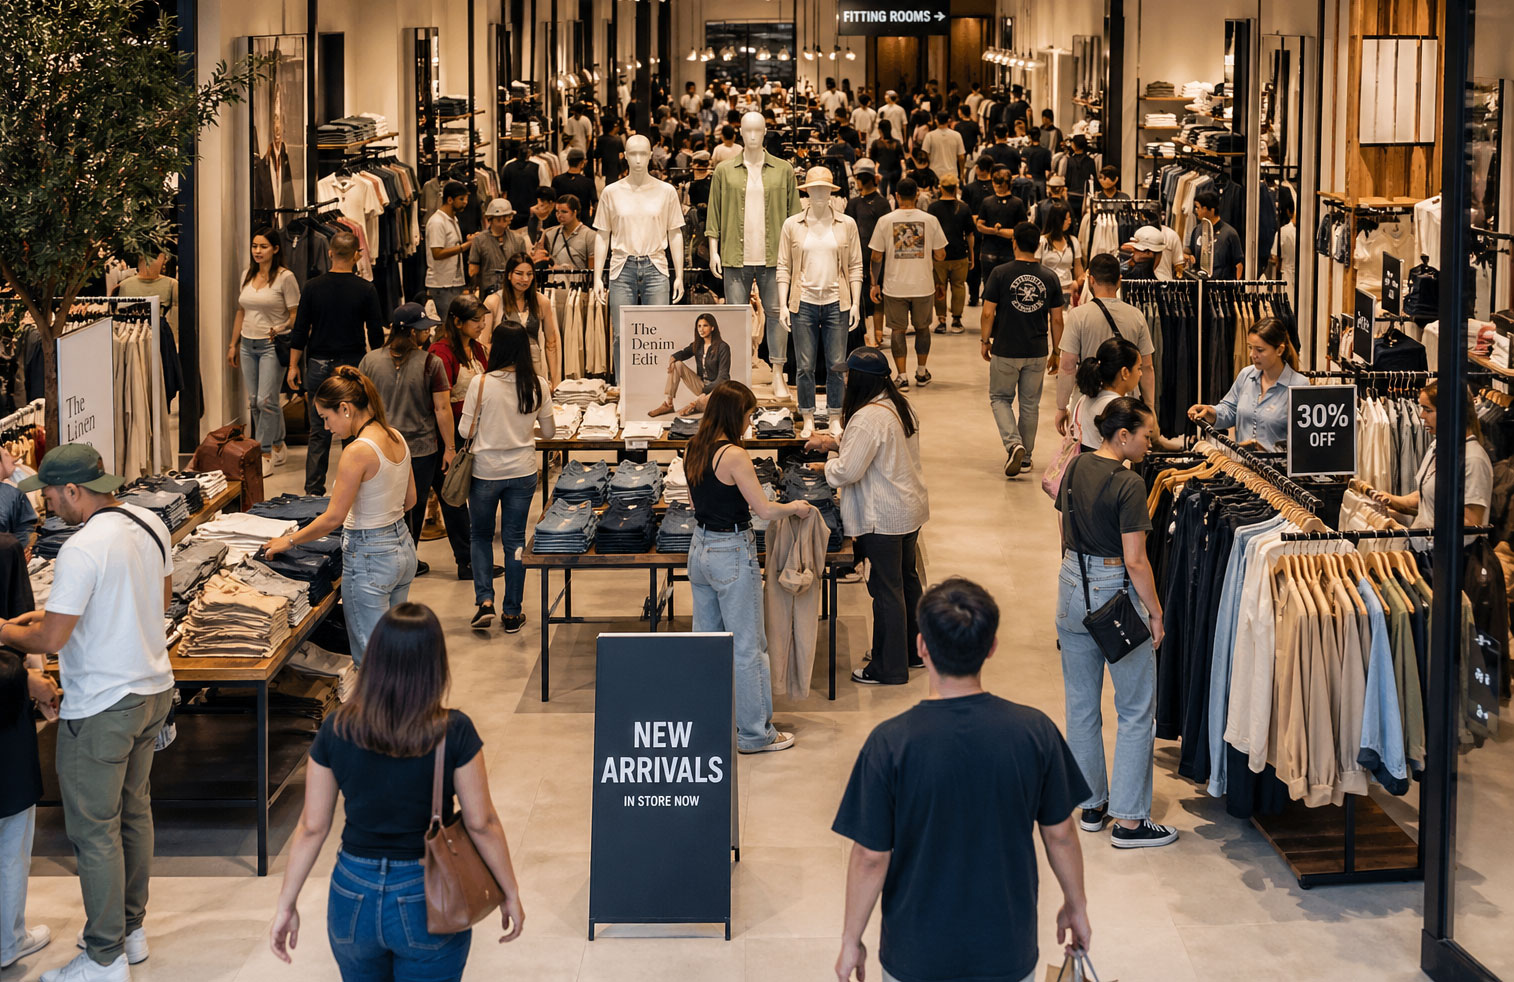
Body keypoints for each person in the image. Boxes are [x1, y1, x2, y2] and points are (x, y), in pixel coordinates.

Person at [832, 577, 1092, 982]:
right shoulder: (1034, 732)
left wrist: (852, 938)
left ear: (922, 646)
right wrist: (1076, 904)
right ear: (991, 647)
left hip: (915, 953)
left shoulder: (890, 743)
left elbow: (870, 857)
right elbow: (1059, 834)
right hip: (1006, 949)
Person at [269, 604, 524, 980]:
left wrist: (286, 905)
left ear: (374, 660)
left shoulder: (337, 728)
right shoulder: (453, 730)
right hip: (427, 888)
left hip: (351, 888)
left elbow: (312, 826)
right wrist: (510, 891)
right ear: (435, 663)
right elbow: (482, 823)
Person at [0, 444, 175, 982]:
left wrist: (4, 629)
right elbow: (160, 600)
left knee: (94, 830)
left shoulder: (81, 548)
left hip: (102, 704)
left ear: (73, 490)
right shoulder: (149, 522)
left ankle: (104, 957)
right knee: (133, 812)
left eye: (50, 494)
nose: (47, 504)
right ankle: (130, 930)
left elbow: (52, 639)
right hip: (153, 691)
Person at [1053, 397, 1179, 849]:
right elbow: (1136, 560)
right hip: (1114, 592)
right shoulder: (1128, 483)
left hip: (1071, 584)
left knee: (1082, 706)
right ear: (1123, 435)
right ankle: (1129, 822)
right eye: (1148, 435)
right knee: (1135, 709)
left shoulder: (1077, 465)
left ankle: (1091, 805)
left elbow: (1064, 530)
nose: (1153, 443)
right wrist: (1157, 613)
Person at [686, 382, 812, 753]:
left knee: (706, 643)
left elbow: (696, 505)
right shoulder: (734, 455)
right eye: (748, 414)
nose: (749, 421)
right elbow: (764, 510)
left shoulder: (693, 447)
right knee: (747, 646)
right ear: (734, 414)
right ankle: (756, 734)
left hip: (699, 549)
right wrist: (795, 508)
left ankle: (708, 725)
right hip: (731, 551)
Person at [263, 367, 418, 661]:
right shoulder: (395, 436)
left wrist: (290, 541)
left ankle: (380, 708)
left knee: (372, 662)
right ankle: (402, 706)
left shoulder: (357, 451)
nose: (326, 426)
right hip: (402, 550)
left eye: (326, 417)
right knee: (396, 653)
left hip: (371, 558)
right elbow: (410, 499)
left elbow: (334, 517)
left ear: (345, 408)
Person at [806, 348, 929, 686]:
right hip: (908, 510)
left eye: (848, 374)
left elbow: (848, 471)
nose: (844, 379)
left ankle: (888, 667)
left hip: (883, 517)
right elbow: (872, 446)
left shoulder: (865, 418)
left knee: (885, 590)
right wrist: (833, 443)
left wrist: (827, 466)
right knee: (905, 581)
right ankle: (912, 652)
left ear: (861, 379)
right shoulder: (898, 405)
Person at [458, 326, 557, 632]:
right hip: (522, 471)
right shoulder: (538, 385)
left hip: (485, 472)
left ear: (496, 348)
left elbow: (464, 431)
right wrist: (524, 431)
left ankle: (485, 601)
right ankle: (512, 612)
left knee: (480, 535)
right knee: (515, 541)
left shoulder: (481, 383)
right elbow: (551, 433)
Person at [286, 231, 386, 496]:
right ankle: (351, 489)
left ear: (330, 253)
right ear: (357, 256)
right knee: (353, 430)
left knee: (319, 432)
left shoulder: (312, 287)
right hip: (353, 365)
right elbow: (375, 334)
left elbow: (300, 330)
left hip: (318, 364)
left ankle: (313, 492)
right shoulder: (366, 289)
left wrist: (293, 366)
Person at [358, 304, 456, 575]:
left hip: (380, 447)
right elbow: (442, 409)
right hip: (421, 449)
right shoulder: (430, 363)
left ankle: (390, 559)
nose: (429, 333)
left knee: (383, 504)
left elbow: (361, 405)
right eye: (425, 330)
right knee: (414, 505)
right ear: (413, 333)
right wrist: (450, 448)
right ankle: (407, 561)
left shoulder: (369, 361)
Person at [981, 222, 1064, 478]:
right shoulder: (1050, 276)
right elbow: (1058, 319)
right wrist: (1057, 352)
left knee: (1000, 399)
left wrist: (985, 341)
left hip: (1005, 347)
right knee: (1030, 404)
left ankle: (1013, 443)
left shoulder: (999, 273)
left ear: (1014, 242)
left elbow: (987, 312)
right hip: (1037, 349)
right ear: (1038, 244)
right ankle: (1026, 457)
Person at [428, 296, 502, 581]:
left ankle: (474, 559)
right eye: (475, 320)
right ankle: (466, 561)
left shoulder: (478, 349)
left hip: (477, 431)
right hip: (452, 432)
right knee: (454, 497)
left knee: (474, 495)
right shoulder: (441, 352)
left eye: (483, 319)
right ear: (457, 322)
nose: (482, 324)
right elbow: (441, 405)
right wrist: (449, 446)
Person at [1054, 254, 1157, 437]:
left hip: (1088, 401)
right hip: (1125, 404)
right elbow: (1147, 367)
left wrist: (1062, 407)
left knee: (1088, 457)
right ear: (1119, 280)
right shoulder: (1136, 316)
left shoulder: (1078, 315)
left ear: (1091, 279)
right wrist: (1149, 407)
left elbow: (1068, 366)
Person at [1370, 381, 1494, 528]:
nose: (1422, 416)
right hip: (1424, 547)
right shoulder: (1437, 446)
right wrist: (1393, 500)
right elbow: (1427, 494)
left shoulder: (1473, 461)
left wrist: (1423, 532)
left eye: (1428, 410)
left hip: (1446, 550)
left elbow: (1470, 523)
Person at [228, 226, 298, 475]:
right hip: (247, 344)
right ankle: (279, 443)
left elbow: (294, 315)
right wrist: (233, 344)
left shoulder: (285, 277)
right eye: (255, 246)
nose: (257, 251)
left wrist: (279, 327)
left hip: (271, 345)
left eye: (263, 246)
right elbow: (241, 310)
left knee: (266, 400)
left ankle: (264, 452)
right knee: (255, 402)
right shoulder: (247, 274)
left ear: (275, 249)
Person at [869, 178, 947, 389]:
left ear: (896, 196)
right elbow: (940, 255)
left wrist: (874, 284)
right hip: (923, 285)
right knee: (923, 329)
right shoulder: (930, 220)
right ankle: (921, 372)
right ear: (917, 196)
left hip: (895, 286)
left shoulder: (885, 221)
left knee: (897, 331)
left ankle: (902, 376)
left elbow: (876, 256)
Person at [1187, 317, 1305, 451]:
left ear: (1279, 350)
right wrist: (1210, 412)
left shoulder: (1298, 386)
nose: (1252, 355)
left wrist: (1266, 449)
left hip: (1277, 470)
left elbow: (1303, 442)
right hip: (1244, 468)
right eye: (1250, 348)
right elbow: (1230, 410)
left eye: (1260, 350)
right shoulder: (1246, 375)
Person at [490, 253, 564, 387]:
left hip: (533, 367)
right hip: (502, 369)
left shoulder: (541, 302)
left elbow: (551, 343)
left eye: (529, 274)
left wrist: (554, 380)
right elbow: (485, 343)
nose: (525, 279)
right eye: (519, 273)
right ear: (509, 274)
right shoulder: (494, 301)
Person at [649, 312, 733, 418]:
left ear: (712, 328)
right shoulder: (698, 345)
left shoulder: (723, 347)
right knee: (677, 364)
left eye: (705, 326)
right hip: (702, 385)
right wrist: (672, 359)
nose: (701, 329)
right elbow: (684, 353)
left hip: (718, 388)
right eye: (699, 326)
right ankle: (669, 405)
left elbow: (723, 376)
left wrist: (705, 392)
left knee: (709, 402)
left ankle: (695, 405)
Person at [846, 162, 892, 349]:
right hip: (859, 255)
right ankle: (867, 333)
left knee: (876, 294)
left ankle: (877, 333)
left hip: (877, 255)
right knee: (862, 295)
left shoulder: (881, 203)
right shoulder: (854, 203)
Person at [1070, 338, 1143, 452]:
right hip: (1104, 467)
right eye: (1138, 368)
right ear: (1125, 372)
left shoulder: (1085, 398)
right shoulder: (1117, 407)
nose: (1140, 373)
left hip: (1082, 464)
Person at [928, 174, 974, 334]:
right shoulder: (964, 207)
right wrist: (972, 255)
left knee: (939, 288)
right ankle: (956, 319)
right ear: (956, 188)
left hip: (938, 255)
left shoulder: (933, 208)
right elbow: (969, 234)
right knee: (959, 287)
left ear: (940, 187)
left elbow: (929, 234)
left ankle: (941, 320)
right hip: (960, 253)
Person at [425, 180, 476, 318]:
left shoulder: (453, 219)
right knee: (447, 325)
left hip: (454, 282)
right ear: (449, 199)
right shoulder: (437, 222)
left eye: (466, 199)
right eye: (461, 199)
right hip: (442, 284)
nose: (465, 202)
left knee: (454, 323)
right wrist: (466, 245)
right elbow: (437, 253)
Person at [469, 198, 531, 297]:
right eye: (503, 216)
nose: (507, 219)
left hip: (513, 292)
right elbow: (473, 270)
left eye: (508, 216)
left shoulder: (518, 240)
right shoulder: (479, 240)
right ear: (491, 218)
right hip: (488, 293)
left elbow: (524, 266)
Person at [977, 166, 1029, 280]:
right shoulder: (987, 202)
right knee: (988, 285)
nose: (998, 186)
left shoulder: (1017, 203)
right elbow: (979, 225)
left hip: (1009, 253)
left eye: (1001, 183)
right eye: (996, 183)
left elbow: (1022, 230)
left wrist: (998, 231)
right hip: (989, 252)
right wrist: (993, 231)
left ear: (1008, 183)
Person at [115, 253, 178, 340]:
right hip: (130, 335)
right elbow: (119, 318)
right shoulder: (125, 285)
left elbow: (174, 320)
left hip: (161, 337)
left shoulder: (172, 284)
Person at [1184, 189, 1244, 279]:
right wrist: (1187, 256)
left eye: (1199, 207)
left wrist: (1235, 287)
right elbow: (1189, 251)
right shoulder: (1197, 230)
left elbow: (1238, 264)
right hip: (1200, 285)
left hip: (1221, 285)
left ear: (1211, 210)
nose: (1196, 211)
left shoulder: (1229, 234)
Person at [1036, 202, 1083, 309]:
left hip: (1068, 290)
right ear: (1058, 220)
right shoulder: (1042, 242)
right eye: (1066, 219)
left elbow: (1078, 267)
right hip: (1047, 291)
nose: (1070, 221)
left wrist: (1078, 283)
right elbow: (1036, 266)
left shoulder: (1073, 241)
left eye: (1070, 217)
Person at [551, 147, 598, 219]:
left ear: (568, 162)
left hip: (561, 220)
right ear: (581, 163)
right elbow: (595, 203)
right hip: (582, 221)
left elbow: (552, 202)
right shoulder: (588, 182)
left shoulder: (557, 180)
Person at [921, 111, 965, 183]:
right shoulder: (957, 135)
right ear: (948, 121)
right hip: (952, 174)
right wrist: (962, 173)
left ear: (936, 121)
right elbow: (961, 157)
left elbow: (925, 155)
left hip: (934, 173)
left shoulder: (929, 136)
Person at [867, 119, 904, 199]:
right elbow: (901, 158)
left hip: (882, 171)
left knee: (883, 195)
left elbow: (872, 159)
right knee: (895, 195)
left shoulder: (876, 143)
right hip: (896, 171)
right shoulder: (897, 143)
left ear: (880, 130)